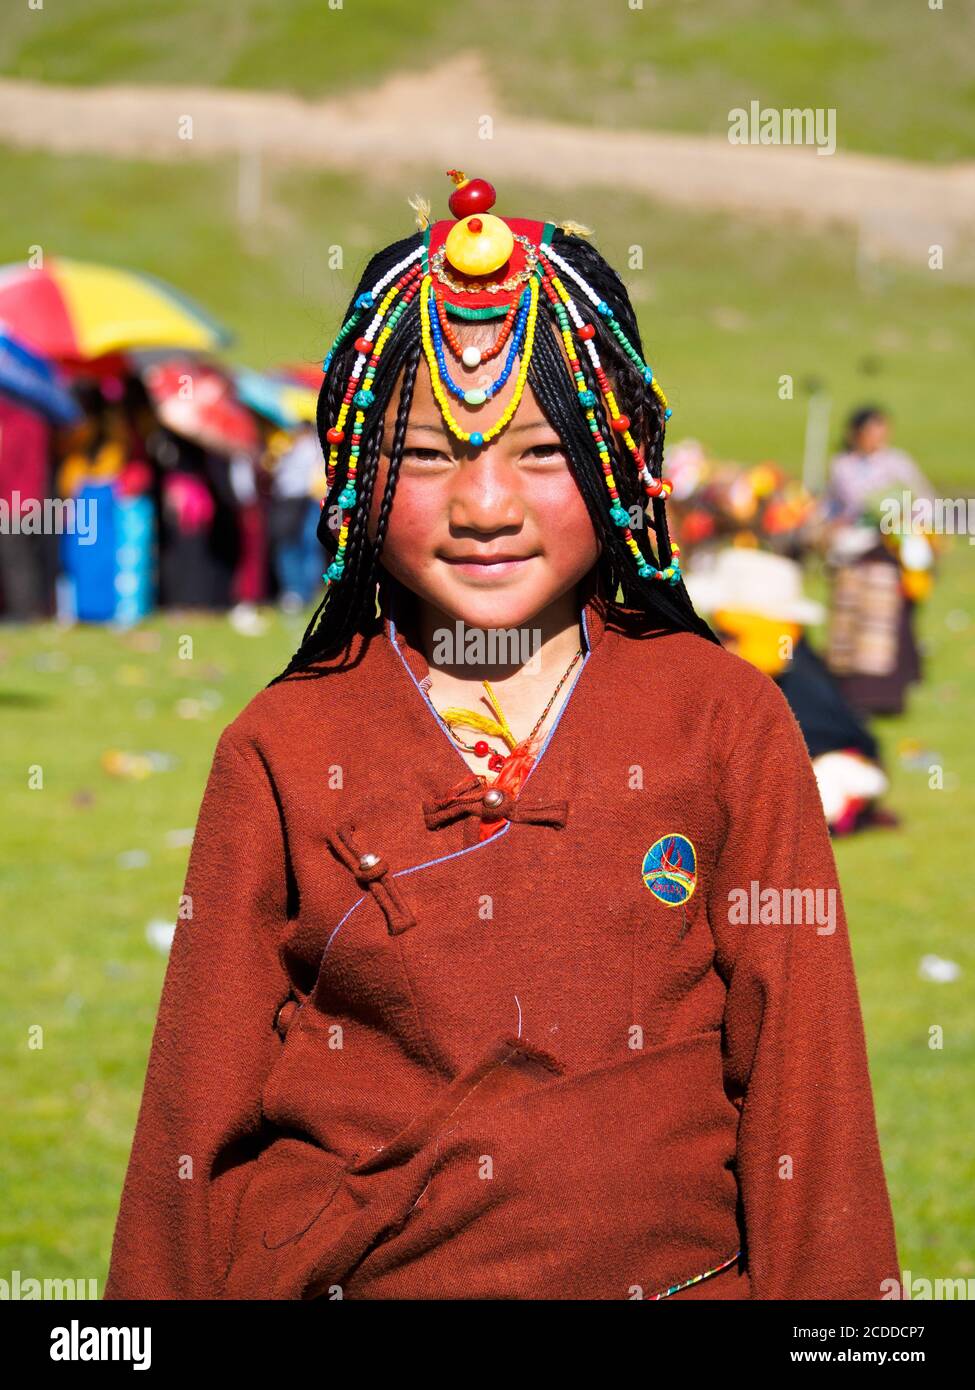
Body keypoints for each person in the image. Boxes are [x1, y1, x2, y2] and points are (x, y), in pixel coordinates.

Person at [103, 173, 898, 1301]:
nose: (486, 505)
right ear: (357, 471)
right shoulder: (283, 745)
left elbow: (807, 1089)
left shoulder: (723, 719)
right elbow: (194, 1112)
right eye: (429, 454)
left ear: (621, 461)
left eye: (538, 451)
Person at [823, 407, 935, 716]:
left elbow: (924, 498)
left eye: (881, 430)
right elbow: (856, 501)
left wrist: (911, 520)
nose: (877, 437)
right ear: (855, 433)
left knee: (891, 624)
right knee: (853, 623)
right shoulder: (843, 466)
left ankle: (888, 696)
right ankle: (854, 695)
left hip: (893, 554)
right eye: (871, 430)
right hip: (856, 554)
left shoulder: (898, 462)